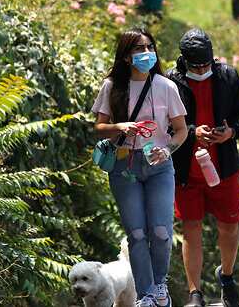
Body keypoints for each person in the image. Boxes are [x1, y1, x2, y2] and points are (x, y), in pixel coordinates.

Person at [92, 29, 188, 307]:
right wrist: (119, 126)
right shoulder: (112, 87)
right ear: (125, 57)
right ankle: (146, 294)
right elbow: (99, 128)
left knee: (160, 231)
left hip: (159, 166)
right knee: (136, 233)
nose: (146, 54)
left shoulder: (166, 86)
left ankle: (160, 285)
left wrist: (167, 148)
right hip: (124, 165)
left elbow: (181, 130)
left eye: (149, 47)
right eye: (138, 49)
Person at [166, 29, 239, 307]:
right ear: (184, 61)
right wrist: (192, 131)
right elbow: (162, 122)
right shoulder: (171, 81)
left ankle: (226, 276)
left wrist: (231, 132)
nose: (203, 69)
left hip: (223, 167)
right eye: (196, 66)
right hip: (186, 170)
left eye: (206, 64)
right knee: (191, 227)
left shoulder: (227, 75)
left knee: (229, 226)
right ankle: (195, 293)